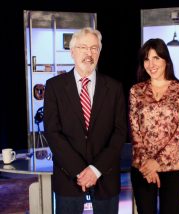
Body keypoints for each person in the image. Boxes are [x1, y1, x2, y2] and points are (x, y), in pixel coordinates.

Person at [44, 27, 127, 214]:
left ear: (99, 52)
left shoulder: (114, 88)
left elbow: (120, 132)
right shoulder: (54, 87)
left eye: (94, 48)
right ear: (72, 52)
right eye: (83, 47)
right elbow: (52, 132)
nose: (89, 53)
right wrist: (81, 171)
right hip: (68, 177)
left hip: (105, 175)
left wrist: (96, 170)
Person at [129, 38, 179, 214]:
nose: (151, 64)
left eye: (156, 58)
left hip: (173, 167)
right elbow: (135, 131)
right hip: (143, 167)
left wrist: (156, 163)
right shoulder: (136, 91)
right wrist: (147, 165)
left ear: (166, 59)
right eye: (147, 59)